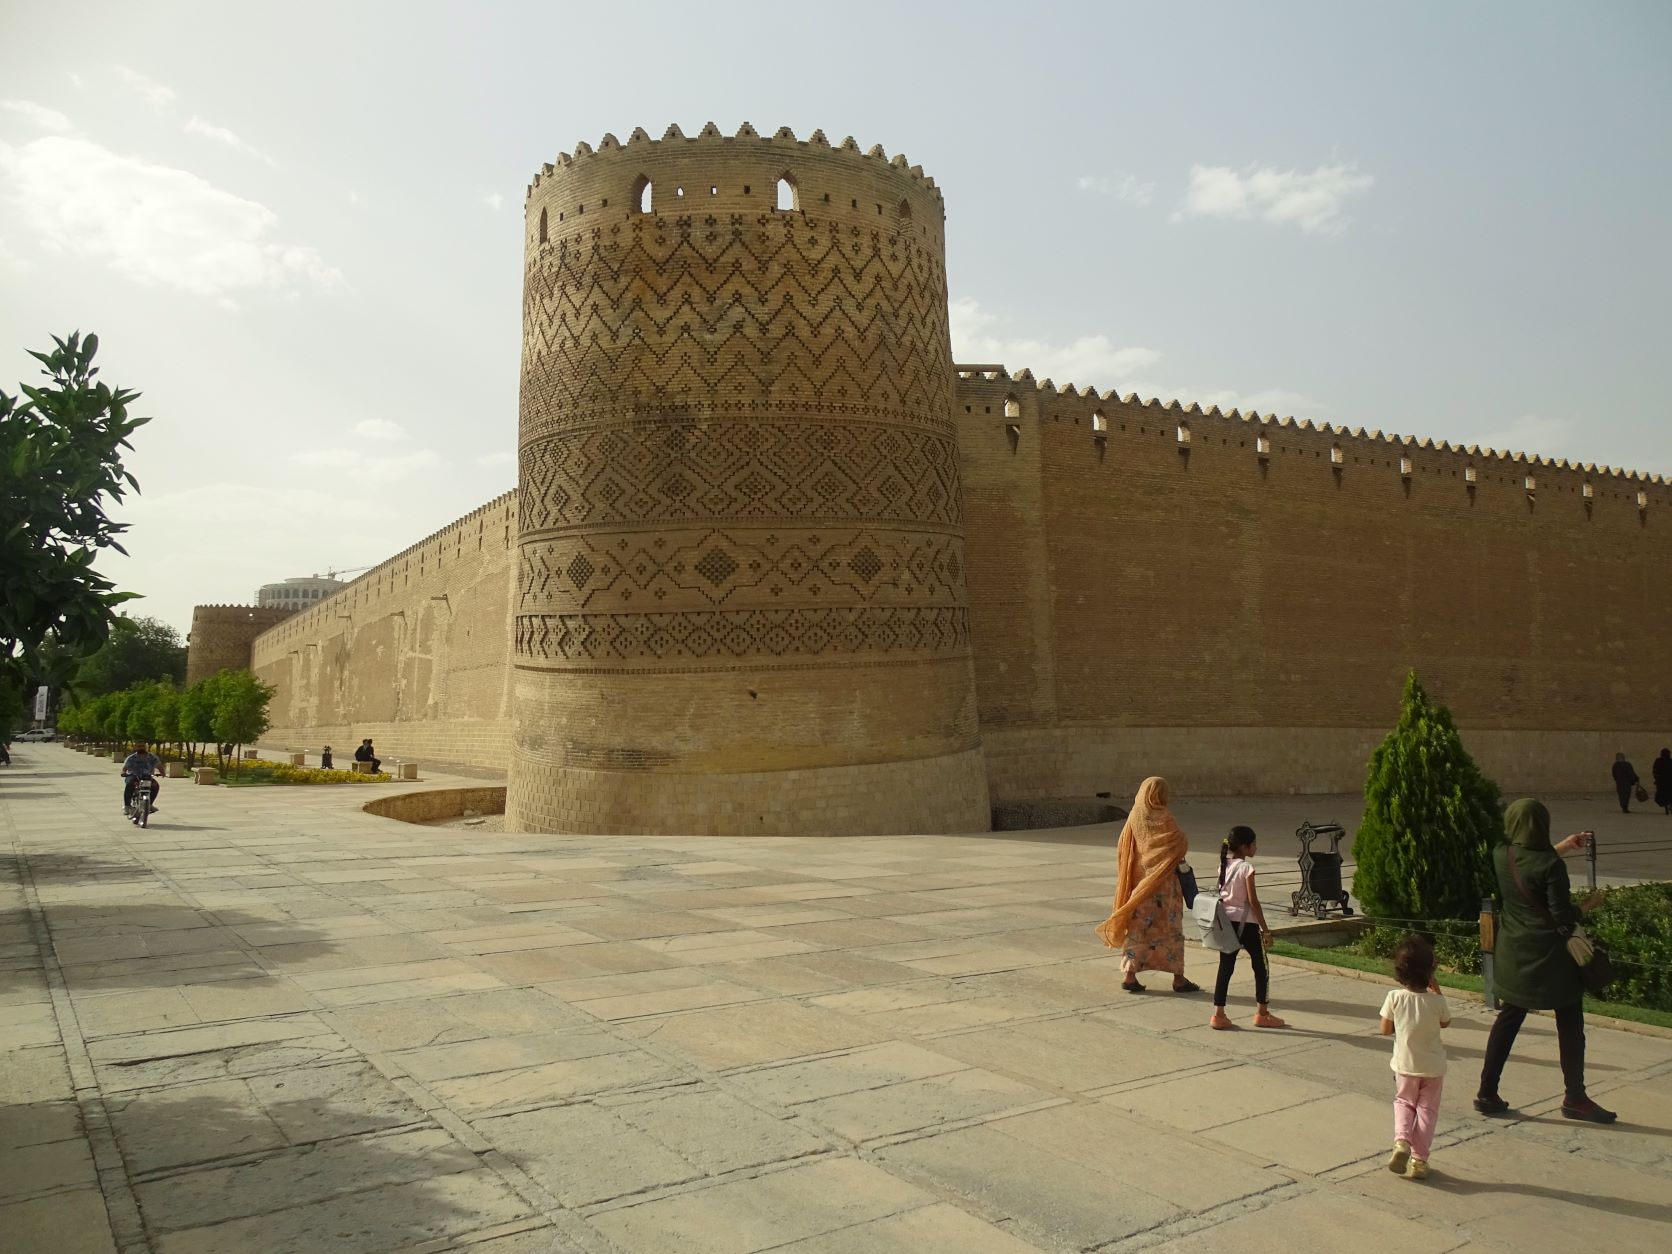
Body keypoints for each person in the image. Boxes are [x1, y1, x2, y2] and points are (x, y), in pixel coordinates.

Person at [1476, 799, 1613, 1122]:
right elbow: (1562, 917)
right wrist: (1589, 905)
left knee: (1508, 1020)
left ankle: (1487, 1091)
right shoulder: (1552, 867)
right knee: (1569, 1024)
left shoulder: (1501, 854)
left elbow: (1526, 864)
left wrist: (1561, 847)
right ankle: (1575, 1098)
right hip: (1551, 960)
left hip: (1514, 954)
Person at [1095, 776, 1200, 994]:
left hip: (1141, 886)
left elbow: (1124, 848)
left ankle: (1130, 975)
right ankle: (1178, 979)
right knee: (1170, 931)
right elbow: (1179, 843)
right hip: (1164, 886)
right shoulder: (1164, 817)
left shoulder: (1134, 816)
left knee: (1138, 930)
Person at [1379, 934, 1451, 1181]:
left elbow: (1385, 1029)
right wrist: (1437, 990)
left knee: (1404, 1103)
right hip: (1432, 1067)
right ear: (1430, 972)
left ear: (1399, 972)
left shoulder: (1395, 997)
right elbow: (1445, 1022)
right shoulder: (1437, 1001)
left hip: (1404, 1065)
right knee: (1427, 1110)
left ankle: (1401, 1142)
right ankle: (1419, 1161)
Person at [1209, 826, 1285, 1029]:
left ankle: (1218, 1014)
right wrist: (1266, 930)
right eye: (1254, 844)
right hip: (1248, 925)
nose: (1256, 847)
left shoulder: (1223, 866)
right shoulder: (1246, 868)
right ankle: (1262, 1012)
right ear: (1245, 846)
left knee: (1225, 967)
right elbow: (1253, 902)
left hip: (1227, 923)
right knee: (1261, 967)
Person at [120, 741, 163, 814]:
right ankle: (127, 806)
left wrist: (162, 772)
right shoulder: (131, 758)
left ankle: (149, 804)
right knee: (129, 784)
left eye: (143, 746)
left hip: (147, 776)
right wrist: (123, 772)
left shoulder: (152, 757)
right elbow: (124, 768)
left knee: (155, 786)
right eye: (139, 746)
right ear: (136, 747)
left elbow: (158, 765)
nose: (141, 748)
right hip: (134, 776)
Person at [1652, 748, 1672, 816]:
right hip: (1670, 782)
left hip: (1661, 782)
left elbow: (1655, 771)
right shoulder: (1670, 761)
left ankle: (1666, 805)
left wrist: (1656, 778)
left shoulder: (1658, 761)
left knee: (1662, 794)